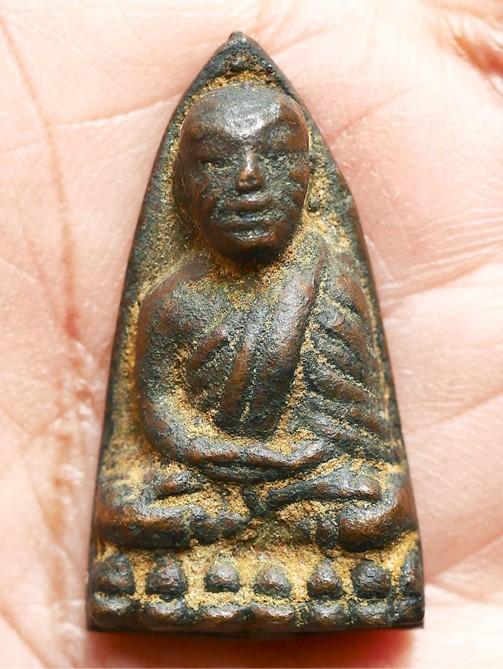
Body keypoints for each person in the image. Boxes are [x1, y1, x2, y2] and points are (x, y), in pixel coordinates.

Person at [1, 1, 502, 666]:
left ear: (306, 176)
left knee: (373, 506)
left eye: (273, 157)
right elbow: (160, 412)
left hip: (309, 483)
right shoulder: (171, 301)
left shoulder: (328, 282)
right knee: (130, 506)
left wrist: (298, 468)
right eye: (216, 162)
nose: (246, 180)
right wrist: (228, 454)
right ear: (183, 187)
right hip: (205, 477)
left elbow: (358, 435)